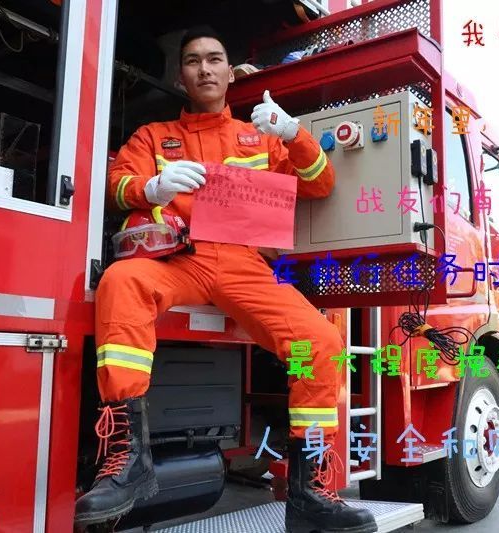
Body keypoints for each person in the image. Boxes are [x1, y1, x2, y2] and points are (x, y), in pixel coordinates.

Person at [74, 26, 377, 533]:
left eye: (215, 59)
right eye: (193, 61)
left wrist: (292, 133)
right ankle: (129, 461)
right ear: (181, 76)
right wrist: (151, 187)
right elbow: (114, 184)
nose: (205, 69)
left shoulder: (261, 136)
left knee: (322, 341)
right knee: (121, 282)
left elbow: (321, 184)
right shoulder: (153, 136)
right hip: (179, 258)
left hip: (244, 266)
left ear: (230, 73)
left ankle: (310, 493)